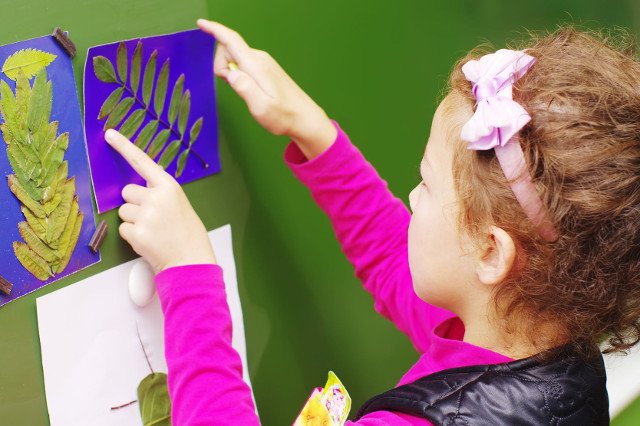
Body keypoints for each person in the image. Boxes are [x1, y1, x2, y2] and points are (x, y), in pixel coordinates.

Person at [105, 18, 640, 425]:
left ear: (491, 252)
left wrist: (190, 274)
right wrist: (317, 138)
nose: (413, 195)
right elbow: (394, 260)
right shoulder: (541, 348)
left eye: (426, 184)